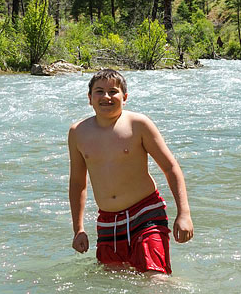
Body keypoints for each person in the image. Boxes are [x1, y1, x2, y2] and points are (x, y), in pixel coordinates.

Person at [68, 69, 193, 274]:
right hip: (108, 222)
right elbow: (77, 183)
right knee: (114, 287)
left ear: (124, 98)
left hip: (145, 214)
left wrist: (184, 213)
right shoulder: (78, 132)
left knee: (156, 280)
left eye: (113, 92)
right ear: (90, 99)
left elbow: (170, 167)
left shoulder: (138, 124)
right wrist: (78, 229)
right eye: (99, 92)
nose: (106, 97)